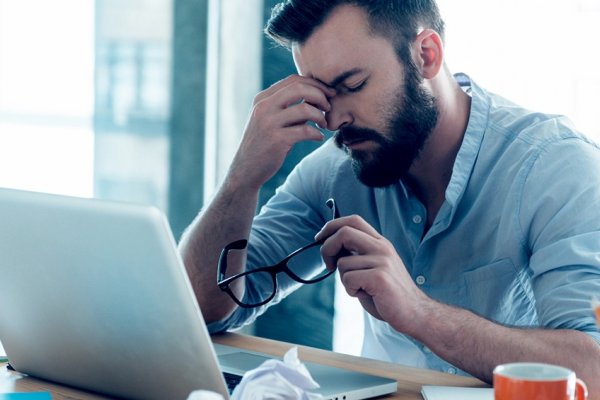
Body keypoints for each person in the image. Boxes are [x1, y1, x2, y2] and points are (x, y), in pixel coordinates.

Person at [179, 0, 600, 394]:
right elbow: (207, 307)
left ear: (426, 55)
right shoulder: (336, 170)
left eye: (353, 84)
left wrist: (420, 313)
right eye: (322, 95)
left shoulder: (555, 168)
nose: (334, 119)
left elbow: (594, 370)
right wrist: (242, 178)